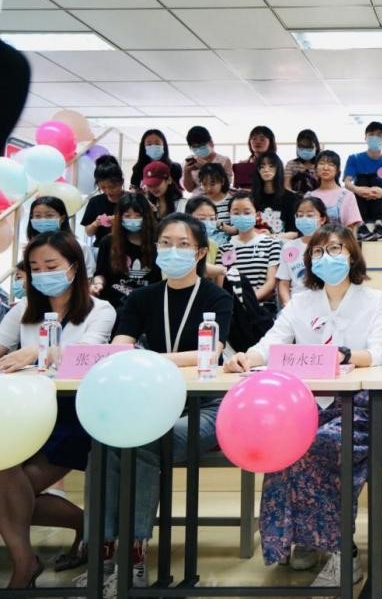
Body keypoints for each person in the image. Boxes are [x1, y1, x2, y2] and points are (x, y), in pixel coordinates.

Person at [225, 225, 382, 586]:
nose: (326, 258)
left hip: (357, 407)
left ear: (352, 255)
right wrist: (247, 357)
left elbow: (381, 353)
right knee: (284, 445)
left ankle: (342, 550)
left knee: (318, 446)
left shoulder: (375, 299)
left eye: (335, 249)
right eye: (318, 252)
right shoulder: (300, 302)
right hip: (303, 406)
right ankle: (304, 538)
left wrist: (343, 354)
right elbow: (272, 343)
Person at [85, 213, 233, 594]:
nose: (173, 251)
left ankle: (134, 553)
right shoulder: (142, 297)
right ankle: (102, 551)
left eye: (183, 245)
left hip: (202, 407)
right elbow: (120, 347)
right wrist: (145, 358)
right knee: (104, 438)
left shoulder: (216, 297)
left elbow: (210, 353)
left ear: (200, 252)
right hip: (148, 401)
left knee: (145, 439)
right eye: (166, 243)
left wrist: (149, 358)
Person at [0, 231, 116, 589]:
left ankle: (25, 564)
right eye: (34, 268)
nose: (42, 274)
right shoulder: (22, 310)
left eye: (50, 265)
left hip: (75, 414)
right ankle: (76, 530)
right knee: (5, 472)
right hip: (26, 412)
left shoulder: (100, 310)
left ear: (74, 267)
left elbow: (88, 355)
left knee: (6, 479)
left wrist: (36, 353)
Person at [92, 193, 160, 309]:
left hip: (147, 306)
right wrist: (98, 284)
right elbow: (100, 273)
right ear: (119, 217)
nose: (132, 220)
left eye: (138, 216)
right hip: (114, 305)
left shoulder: (158, 243)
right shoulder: (108, 242)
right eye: (127, 216)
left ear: (146, 217)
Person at [218, 192, 280, 310]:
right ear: (230, 215)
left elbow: (271, 282)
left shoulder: (271, 244)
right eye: (236, 213)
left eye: (247, 212)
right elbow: (221, 284)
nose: (242, 216)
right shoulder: (224, 248)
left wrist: (248, 301)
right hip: (234, 311)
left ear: (256, 214)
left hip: (262, 309)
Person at [344, 121, 382, 242]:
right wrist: (358, 189)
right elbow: (347, 183)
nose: (374, 137)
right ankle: (361, 226)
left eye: (379, 135)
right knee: (362, 179)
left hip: (380, 203)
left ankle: (378, 226)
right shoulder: (354, 159)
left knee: (376, 181)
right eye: (371, 134)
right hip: (360, 201)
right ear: (366, 138)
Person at [27, 196, 97, 277]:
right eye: (37, 216)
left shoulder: (78, 246)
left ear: (62, 218)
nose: (43, 220)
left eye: (49, 215)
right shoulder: (31, 246)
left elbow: (88, 275)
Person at [276, 196, 328, 304]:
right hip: (297, 305)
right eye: (300, 215)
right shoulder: (289, 248)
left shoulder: (331, 246)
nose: (304, 219)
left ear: (322, 219)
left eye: (310, 215)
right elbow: (284, 283)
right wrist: (289, 307)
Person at [308, 150, 362, 234]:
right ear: (315, 168)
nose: (325, 168)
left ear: (337, 170)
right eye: (321, 163)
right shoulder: (308, 196)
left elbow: (352, 229)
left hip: (339, 241)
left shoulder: (347, 195)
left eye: (331, 164)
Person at [80, 155, 126, 244]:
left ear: (121, 182)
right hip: (101, 247)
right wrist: (95, 223)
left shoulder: (131, 200)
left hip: (126, 247)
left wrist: (120, 221)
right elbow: (89, 233)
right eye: (103, 187)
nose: (108, 191)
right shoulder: (95, 202)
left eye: (112, 187)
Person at [251, 152, 299, 237]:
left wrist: (272, 237)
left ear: (278, 169)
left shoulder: (291, 198)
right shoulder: (251, 198)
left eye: (271, 166)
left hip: (283, 243)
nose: (266, 170)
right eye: (262, 167)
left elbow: (295, 232)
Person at [184, 196, 229, 285]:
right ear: (187, 218)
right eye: (201, 219)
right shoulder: (180, 243)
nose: (207, 223)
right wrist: (219, 270)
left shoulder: (214, 246)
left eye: (212, 219)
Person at [181, 125, 232, 193]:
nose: (198, 149)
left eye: (201, 145)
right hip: (197, 197)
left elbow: (225, 186)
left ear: (210, 142)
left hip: (218, 196)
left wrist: (207, 168)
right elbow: (190, 189)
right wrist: (186, 172)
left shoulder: (224, 160)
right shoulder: (190, 161)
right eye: (194, 147)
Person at [197, 161, 234, 245]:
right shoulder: (199, 202)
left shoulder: (232, 202)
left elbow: (237, 230)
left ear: (222, 181)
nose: (208, 188)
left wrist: (219, 225)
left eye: (212, 184)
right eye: (204, 184)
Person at [234, 125, 276, 190]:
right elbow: (236, 187)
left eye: (262, 139)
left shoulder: (276, 163)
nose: (258, 142)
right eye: (254, 138)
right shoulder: (242, 165)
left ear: (270, 142)